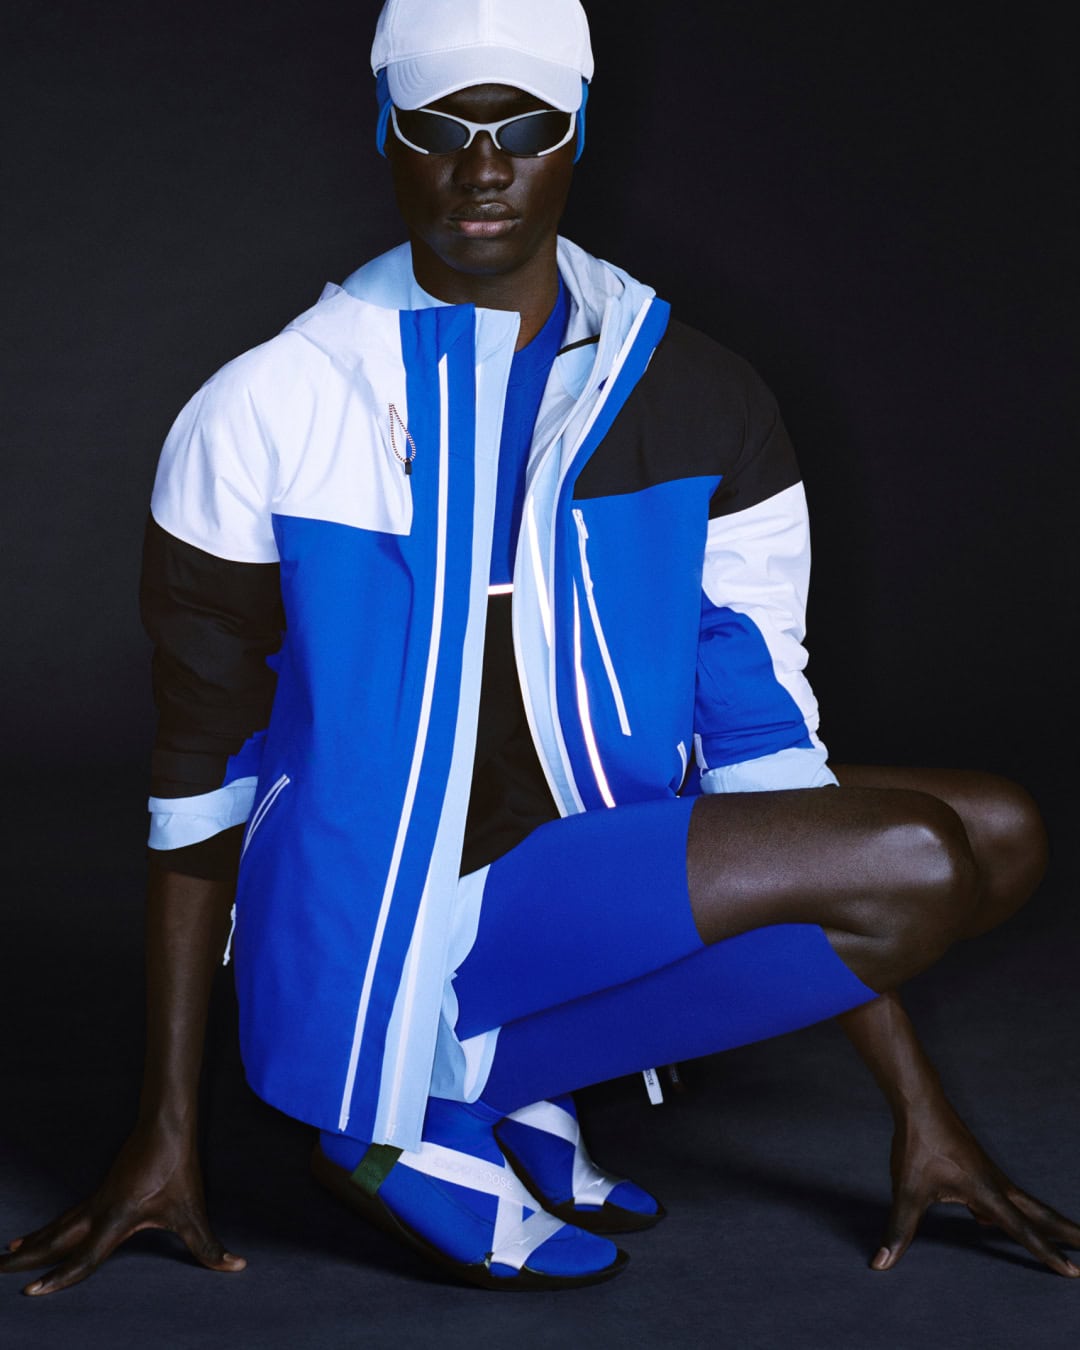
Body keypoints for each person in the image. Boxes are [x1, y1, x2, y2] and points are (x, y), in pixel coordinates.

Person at [4, 0, 1077, 1295]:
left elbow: (760, 748)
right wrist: (165, 1129)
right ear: (384, 130)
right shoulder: (267, 406)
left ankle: (483, 1074)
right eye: (439, 125)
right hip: (368, 917)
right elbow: (197, 779)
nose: (483, 167)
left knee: (992, 837)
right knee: (914, 855)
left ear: (575, 135)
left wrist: (925, 1113)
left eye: (524, 127)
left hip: (572, 866)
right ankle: (389, 1100)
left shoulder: (698, 393)